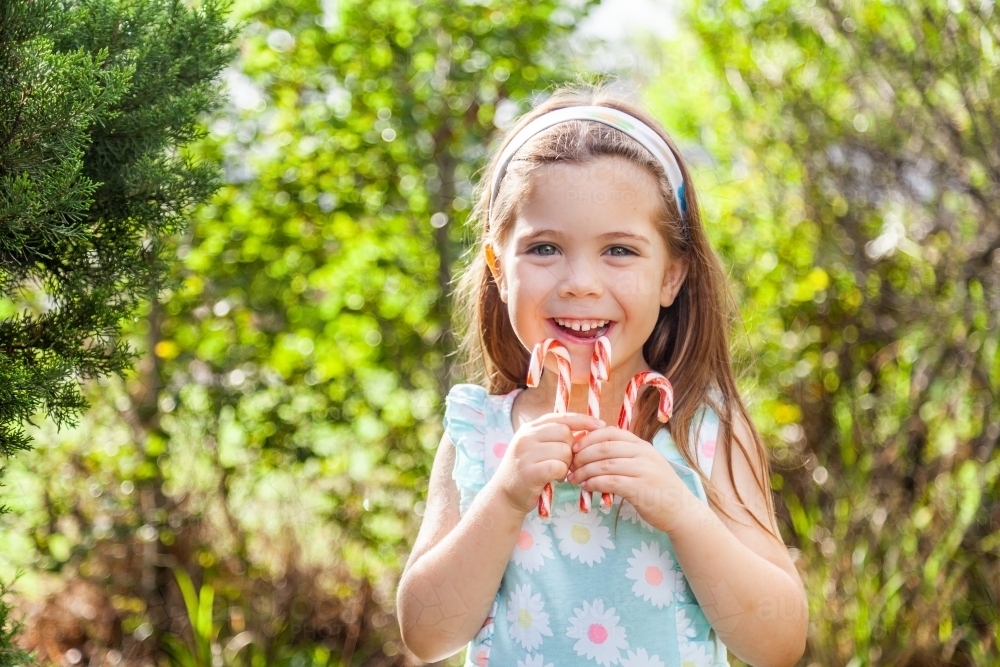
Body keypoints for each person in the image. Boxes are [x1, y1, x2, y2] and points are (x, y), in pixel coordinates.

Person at [396, 85, 808, 667]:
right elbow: (426, 634)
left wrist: (681, 512)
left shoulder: (703, 430)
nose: (580, 282)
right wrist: (507, 494)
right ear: (498, 268)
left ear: (672, 276)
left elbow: (779, 643)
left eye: (619, 250)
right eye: (544, 248)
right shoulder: (479, 433)